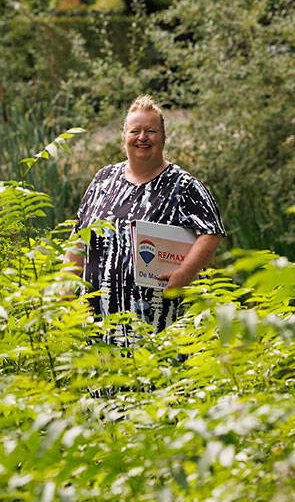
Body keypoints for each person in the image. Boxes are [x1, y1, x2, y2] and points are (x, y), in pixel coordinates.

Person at [67, 95, 225, 340]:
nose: (142, 137)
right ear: (124, 137)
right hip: (97, 324)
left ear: (163, 137)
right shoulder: (103, 179)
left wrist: (185, 273)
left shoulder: (184, 186)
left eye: (151, 131)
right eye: (135, 131)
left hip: (158, 326)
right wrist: (65, 290)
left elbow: (211, 232)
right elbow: (80, 235)